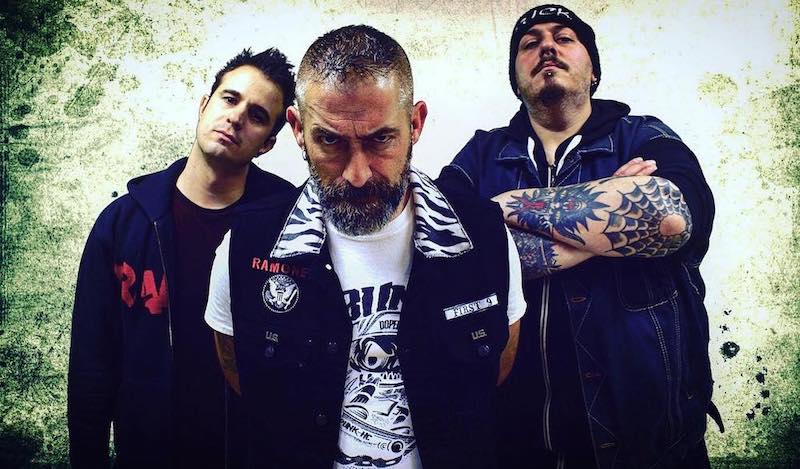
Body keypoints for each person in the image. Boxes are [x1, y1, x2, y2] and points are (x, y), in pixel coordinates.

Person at [204, 25, 526, 469]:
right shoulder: (248, 245)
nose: (357, 174)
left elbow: (497, 367)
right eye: (330, 141)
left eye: (380, 139)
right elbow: (239, 371)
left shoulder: (481, 237)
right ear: (297, 129)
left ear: (415, 123)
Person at [439, 4, 719, 469]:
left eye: (564, 38)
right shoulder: (481, 153)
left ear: (593, 71)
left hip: (649, 448)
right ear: (516, 80)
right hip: (514, 444)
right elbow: (445, 249)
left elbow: (670, 220)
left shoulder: (643, 136)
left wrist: (497, 211)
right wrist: (607, 219)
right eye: (530, 44)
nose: (547, 47)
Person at [68, 48, 296, 468]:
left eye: (257, 115)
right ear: (204, 105)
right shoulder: (123, 224)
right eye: (230, 99)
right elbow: (92, 366)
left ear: (267, 144)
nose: (236, 117)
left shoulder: (289, 223)